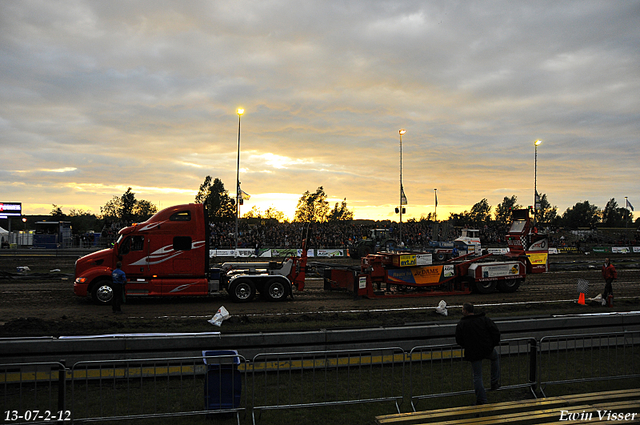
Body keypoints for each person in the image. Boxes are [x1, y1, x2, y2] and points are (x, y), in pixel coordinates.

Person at [455, 303, 501, 405]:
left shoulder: (462, 324)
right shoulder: (484, 320)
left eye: (462, 310)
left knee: (477, 376)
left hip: (473, 352)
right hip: (487, 349)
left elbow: (459, 340)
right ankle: (494, 382)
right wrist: (492, 344)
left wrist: (466, 346)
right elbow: (495, 332)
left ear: (466, 311)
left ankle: (482, 399)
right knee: (495, 357)